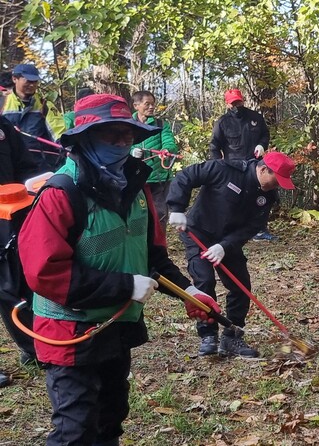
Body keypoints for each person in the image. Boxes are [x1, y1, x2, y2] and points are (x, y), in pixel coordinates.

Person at [18, 93, 221, 445]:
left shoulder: (136, 190)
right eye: (111, 134)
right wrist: (124, 286)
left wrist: (189, 291)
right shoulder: (60, 193)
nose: (122, 142)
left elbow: (153, 257)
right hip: (70, 331)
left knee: (110, 418)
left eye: (127, 134)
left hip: (116, 325)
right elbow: (44, 272)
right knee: (75, 429)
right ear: (85, 138)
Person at [167, 151, 296, 358]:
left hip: (228, 241)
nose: (277, 186)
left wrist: (224, 246)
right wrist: (177, 208)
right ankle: (208, 335)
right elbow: (186, 176)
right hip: (199, 232)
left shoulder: (268, 195)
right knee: (204, 281)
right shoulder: (225, 169)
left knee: (241, 285)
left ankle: (232, 336)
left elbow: (253, 226)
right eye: (276, 180)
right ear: (264, 169)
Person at [0, 112, 50, 387]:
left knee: (13, 283)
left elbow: (26, 165)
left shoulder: (3, 126)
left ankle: (34, 348)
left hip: (9, 216)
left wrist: (34, 189)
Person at [209, 88, 274, 241]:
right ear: (227, 104)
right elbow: (214, 146)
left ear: (243, 100)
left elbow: (265, 134)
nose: (236, 106)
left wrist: (262, 145)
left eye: (238, 102)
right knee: (233, 199)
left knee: (261, 197)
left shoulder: (255, 117)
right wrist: (218, 166)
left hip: (255, 166)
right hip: (234, 167)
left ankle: (259, 230)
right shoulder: (222, 122)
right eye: (233, 103)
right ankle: (232, 229)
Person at [129, 91, 178, 232]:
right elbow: (121, 145)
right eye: (147, 104)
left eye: (153, 104)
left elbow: (169, 142)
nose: (151, 107)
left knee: (160, 215)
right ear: (136, 105)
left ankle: (158, 242)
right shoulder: (128, 125)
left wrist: (166, 150)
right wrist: (132, 151)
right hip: (135, 179)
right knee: (137, 215)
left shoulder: (161, 125)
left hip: (159, 178)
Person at [1, 64, 62, 172]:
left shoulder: (45, 106)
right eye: (28, 81)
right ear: (15, 79)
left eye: (35, 81)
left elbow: (59, 133)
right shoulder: (2, 104)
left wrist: (66, 147)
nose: (32, 85)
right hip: (8, 165)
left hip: (39, 167)